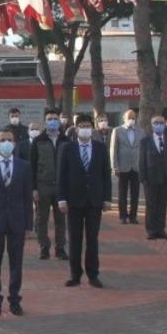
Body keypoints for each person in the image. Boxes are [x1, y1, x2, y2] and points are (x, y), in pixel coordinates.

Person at [0, 129, 33, 316]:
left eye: (9, 140)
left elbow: (27, 199)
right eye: (2, 140)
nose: (6, 143)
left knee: (16, 263)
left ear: (15, 143)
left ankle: (15, 299)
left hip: (18, 221)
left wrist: (29, 225)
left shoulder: (24, 167)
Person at [58, 113, 111, 288]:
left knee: (92, 239)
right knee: (74, 239)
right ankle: (75, 274)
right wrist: (62, 199)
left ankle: (93, 274)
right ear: (76, 128)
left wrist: (107, 199)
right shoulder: (67, 148)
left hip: (94, 200)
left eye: (88, 126)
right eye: (82, 126)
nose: (85, 129)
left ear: (93, 128)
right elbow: (62, 176)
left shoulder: (101, 148)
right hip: (73, 200)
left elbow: (105, 175)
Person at [32, 110, 67, 261]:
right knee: (42, 218)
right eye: (49, 119)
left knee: (61, 219)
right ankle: (44, 247)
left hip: (61, 186)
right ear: (44, 122)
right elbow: (32, 166)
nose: (52, 121)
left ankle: (60, 248)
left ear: (59, 121)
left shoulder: (65, 140)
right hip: (43, 185)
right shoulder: (38, 140)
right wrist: (33, 188)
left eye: (55, 118)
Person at [137, 113, 167, 240]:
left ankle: (161, 229)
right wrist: (143, 178)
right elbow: (141, 161)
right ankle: (151, 230)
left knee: (162, 205)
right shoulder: (145, 141)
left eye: (161, 123)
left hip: (165, 177)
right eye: (156, 123)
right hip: (150, 178)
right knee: (151, 204)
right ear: (152, 125)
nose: (159, 125)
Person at [110, 109, 142, 224]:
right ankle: (122, 216)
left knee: (135, 193)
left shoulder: (140, 131)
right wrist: (114, 167)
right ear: (124, 118)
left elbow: (142, 150)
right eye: (129, 118)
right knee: (122, 192)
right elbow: (113, 149)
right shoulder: (117, 131)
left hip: (136, 166)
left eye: (133, 118)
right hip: (122, 166)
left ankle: (133, 216)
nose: (131, 120)